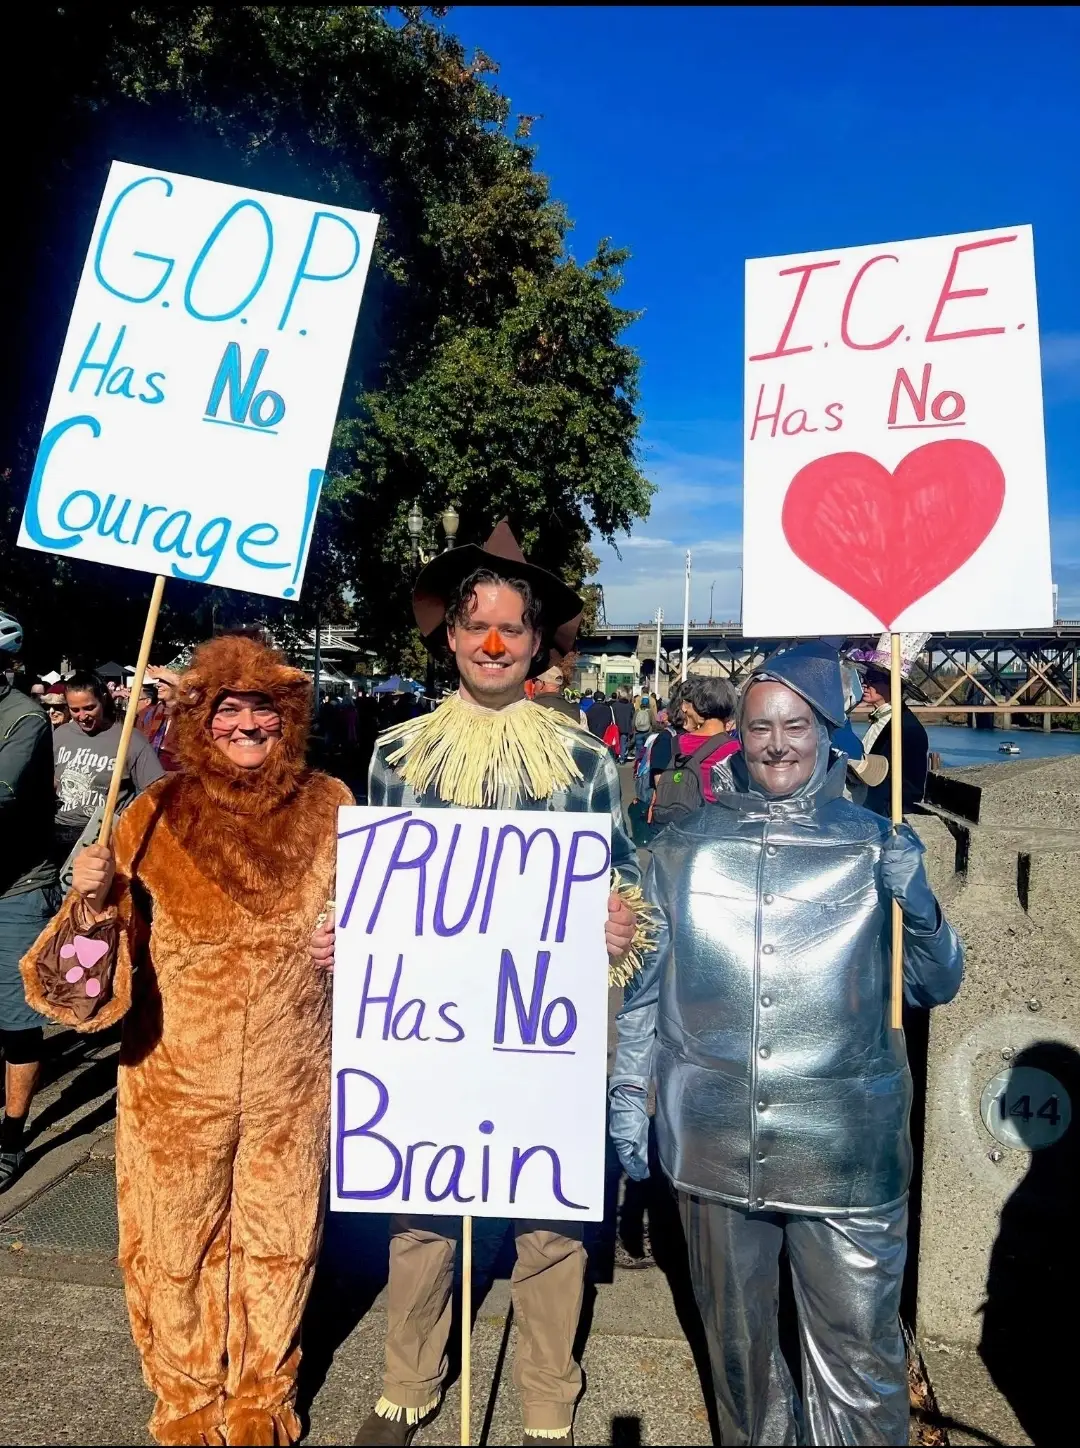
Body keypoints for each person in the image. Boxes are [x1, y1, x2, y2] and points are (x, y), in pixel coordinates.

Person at [312, 522, 647, 1447]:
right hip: (428, 1029)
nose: (493, 645)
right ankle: (408, 1379)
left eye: (512, 628)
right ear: (451, 639)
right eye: (477, 628)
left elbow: (623, 878)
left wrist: (617, 924)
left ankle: (547, 1394)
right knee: (421, 1205)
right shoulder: (398, 755)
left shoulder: (584, 762)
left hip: (538, 1026)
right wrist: (354, 938)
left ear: (538, 642)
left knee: (547, 1212)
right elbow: (374, 888)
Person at [609, 641, 964, 1447]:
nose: (776, 743)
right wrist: (630, 1093)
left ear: (827, 732)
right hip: (713, 1146)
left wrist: (925, 908)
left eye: (796, 726)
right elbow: (641, 991)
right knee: (740, 1364)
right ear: (740, 733)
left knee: (859, 1358)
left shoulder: (878, 844)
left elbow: (937, 985)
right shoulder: (679, 848)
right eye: (761, 726)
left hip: (846, 1151)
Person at [22, 634, 352, 1445]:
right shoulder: (150, 812)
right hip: (175, 1079)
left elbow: (391, 935)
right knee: (174, 1243)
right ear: (198, 721)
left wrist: (353, 938)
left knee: (281, 1245)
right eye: (226, 709)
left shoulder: (334, 806)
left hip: (292, 1080)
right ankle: (186, 1398)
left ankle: (261, 1396)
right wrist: (93, 902)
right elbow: (76, 994)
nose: (246, 725)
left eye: (262, 709)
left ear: (289, 717)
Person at [0, 610, 59, 1192]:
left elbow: (3, 793)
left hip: (15, 890)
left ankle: (12, 1138)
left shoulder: (25, 718)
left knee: (16, 1021)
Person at [53, 671, 163, 864]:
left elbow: (157, 791)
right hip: (59, 830)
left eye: (89, 708)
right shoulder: (61, 734)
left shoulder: (130, 739)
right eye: (75, 710)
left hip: (101, 836)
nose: (82, 716)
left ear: (103, 700)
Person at [849, 635, 930, 817]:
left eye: (874, 679)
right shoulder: (885, 719)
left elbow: (910, 788)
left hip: (883, 818)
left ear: (894, 685)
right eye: (866, 677)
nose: (865, 683)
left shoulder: (908, 728)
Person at [138, 668, 182, 771]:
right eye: (158, 681)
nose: (157, 685)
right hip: (148, 774)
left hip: (177, 778)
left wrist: (172, 677)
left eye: (164, 681)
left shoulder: (190, 714)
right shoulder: (148, 713)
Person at [611, 686, 635, 762]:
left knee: (615, 743)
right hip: (626, 727)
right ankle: (622, 758)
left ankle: (615, 757)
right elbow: (632, 716)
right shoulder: (630, 706)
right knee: (623, 743)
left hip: (616, 726)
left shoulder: (614, 705)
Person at [632, 693, 655, 760]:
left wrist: (633, 730)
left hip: (638, 732)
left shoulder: (637, 711)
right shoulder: (650, 712)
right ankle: (644, 762)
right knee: (646, 749)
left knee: (638, 749)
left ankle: (637, 764)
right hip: (648, 732)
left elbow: (633, 722)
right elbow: (653, 723)